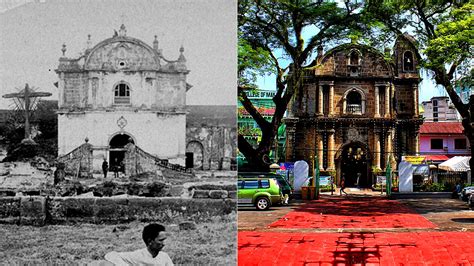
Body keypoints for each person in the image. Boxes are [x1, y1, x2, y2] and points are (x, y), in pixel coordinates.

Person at [104, 223, 174, 265]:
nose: (164, 244)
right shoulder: (137, 256)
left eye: (164, 240)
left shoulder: (164, 257)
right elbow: (110, 255)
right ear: (150, 241)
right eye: (160, 240)